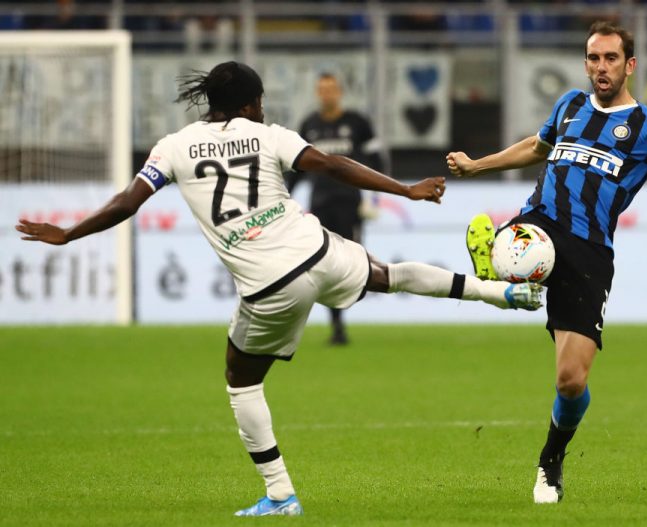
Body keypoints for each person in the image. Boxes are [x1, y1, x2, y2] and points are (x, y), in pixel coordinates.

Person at [16, 61, 543, 517]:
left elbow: (127, 203)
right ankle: (502, 293)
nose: (263, 108)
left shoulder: (173, 148)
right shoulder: (269, 135)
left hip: (269, 283)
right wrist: (405, 189)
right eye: (261, 100)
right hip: (316, 249)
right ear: (249, 104)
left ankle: (279, 494)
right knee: (388, 274)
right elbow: (332, 165)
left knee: (241, 380)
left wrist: (69, 233)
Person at [446, 21, 647, 504]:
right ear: (586, 63)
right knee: (522, 245)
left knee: (571, 381)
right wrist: (477, 165)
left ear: (629, 65)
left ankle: (551, 459)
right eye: (594, 58)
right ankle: (507, 269)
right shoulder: (570, 105)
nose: (601, 67)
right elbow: (536, 147)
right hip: (541, 222)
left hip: (589, 251)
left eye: (611, 58)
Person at [288, 72, 383, 345]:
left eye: (331, 89)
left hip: (350, 203)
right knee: (325, 264)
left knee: (353, 261)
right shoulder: (309, 125)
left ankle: (347, 307)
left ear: (339, 92)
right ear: (318, 93)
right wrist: (286, 195)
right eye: (322, 89)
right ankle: (338, 326)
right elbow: (297, 167)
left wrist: (375, 196)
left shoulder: (357, 123)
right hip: (320, 204)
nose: (327, 93)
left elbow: (377, 160)